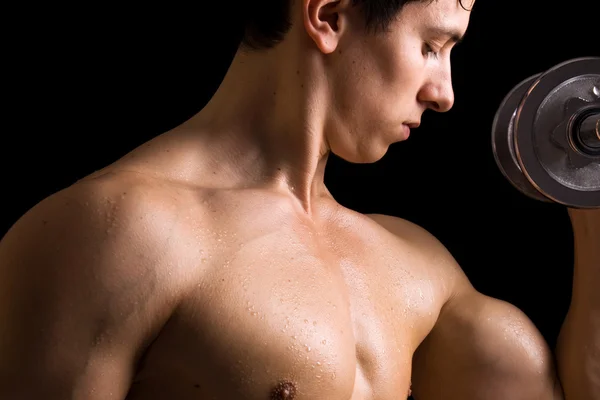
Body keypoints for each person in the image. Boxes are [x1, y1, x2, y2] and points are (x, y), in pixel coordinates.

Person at [1, 0, 598, 398]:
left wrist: (592, 207)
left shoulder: (416, 269)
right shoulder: (116, 231)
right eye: (431, 45)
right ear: (330, 16)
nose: (444, 93)